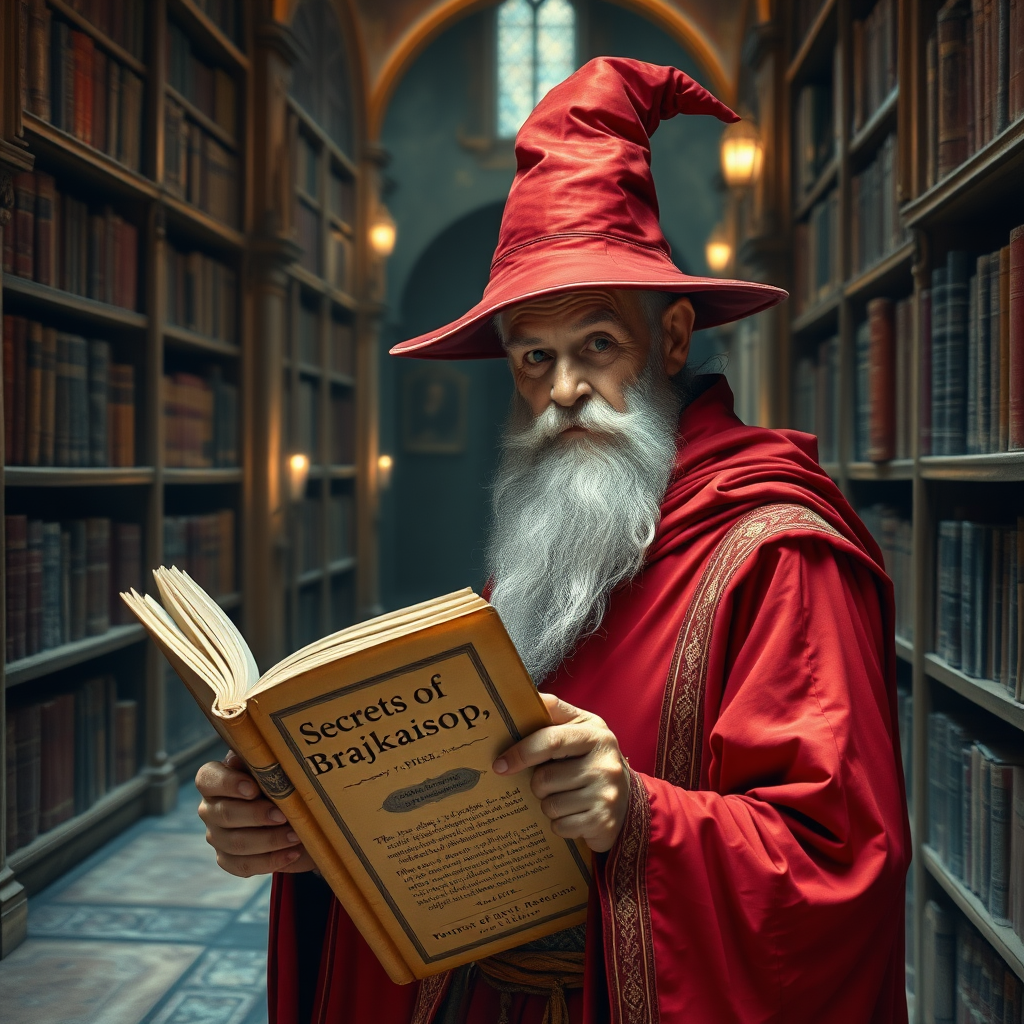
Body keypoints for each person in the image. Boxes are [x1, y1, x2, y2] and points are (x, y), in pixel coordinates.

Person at [195, 58, 910, 1024]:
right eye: (536, 357)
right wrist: (300, 829)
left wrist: (640, 815)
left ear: (670, 340)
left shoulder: (781, 550)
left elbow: (839, 864)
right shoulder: (562, 537)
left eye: (597, 347)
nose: (564, 387)